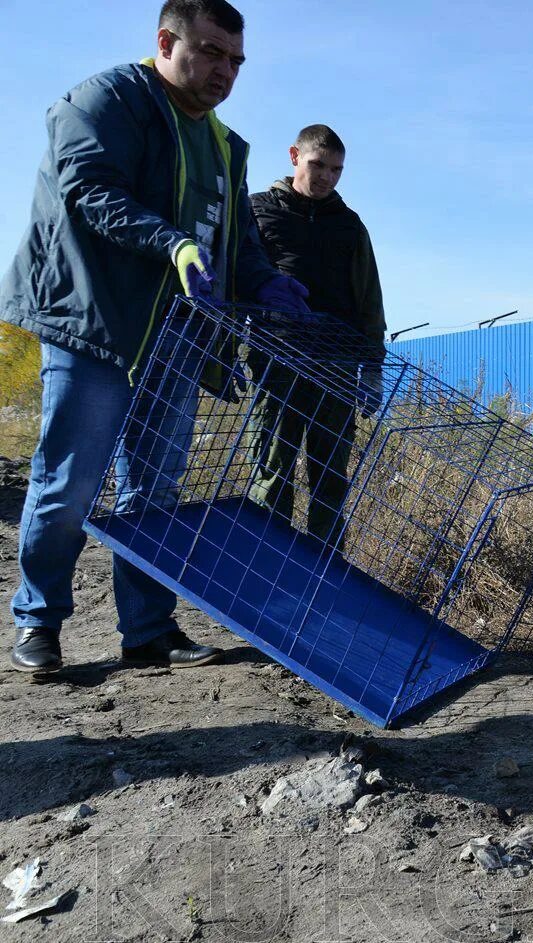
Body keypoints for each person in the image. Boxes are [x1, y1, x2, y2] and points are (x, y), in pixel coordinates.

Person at [0, 0, 309, 676]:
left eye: (236, 60)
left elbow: (236, 242)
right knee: (70, 484)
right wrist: (170, 245)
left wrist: (263, 282)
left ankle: (147, 629)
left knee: (155, 491)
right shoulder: (107, 100)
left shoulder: (226, 147)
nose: (226, 70)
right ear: (166, 40)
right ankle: (39, 620)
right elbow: (89, 189)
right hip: (96, 325)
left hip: (177, 338)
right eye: (211, 52)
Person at [248, 124, 387, 546]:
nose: (326, 176)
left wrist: (373, 367)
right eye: (317, 164)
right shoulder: (256, 210)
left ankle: (326, 573)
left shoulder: (349, 226)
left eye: (336, 169)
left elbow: (369, 298)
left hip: (336, 365)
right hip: (276, 358)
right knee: (273, 469)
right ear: (294, 156)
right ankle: (268, 567)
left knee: (330, 476)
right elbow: (232, 279)